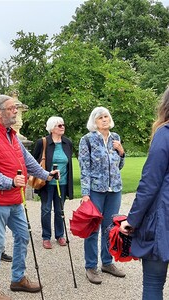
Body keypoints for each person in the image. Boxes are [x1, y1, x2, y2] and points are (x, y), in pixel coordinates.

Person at [0, 94, 59, 300]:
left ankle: (18, 279)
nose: (15, 111)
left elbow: (28, 160)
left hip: (14, 199)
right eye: (12, 108)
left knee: (23, 235)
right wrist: (10, 182)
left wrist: (45, 175)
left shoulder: (10, 133)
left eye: (16, 108)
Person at [120, 89, 169, 300]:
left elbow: (150, 184)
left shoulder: (164, 134)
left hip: (163, 219)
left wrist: (132, 220)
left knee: (153, 283)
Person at [78, 106, 126, 284]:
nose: (105, 119)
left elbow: (119, 166)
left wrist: (121, 152)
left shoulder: (115, 138)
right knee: (92, 228)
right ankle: (91, 266)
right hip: (95, 191)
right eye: (100, 118)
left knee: (110, 228)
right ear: (94, 122)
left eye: (106, 116)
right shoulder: (87, 140)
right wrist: (85, 193)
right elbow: (84, 168)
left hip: (114, 189)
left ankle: (107, 262)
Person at [32, 116, 74, 249]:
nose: (62, 127)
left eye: (63, 125)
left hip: (62, 183)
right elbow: (33, 162)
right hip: (46, 183)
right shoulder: (42, 142)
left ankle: (60, 235)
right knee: (46, 209)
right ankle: (46, 237)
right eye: (59, 125)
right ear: (52, 129)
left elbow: (69, 164)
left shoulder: (67, 143)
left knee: (59, 210)